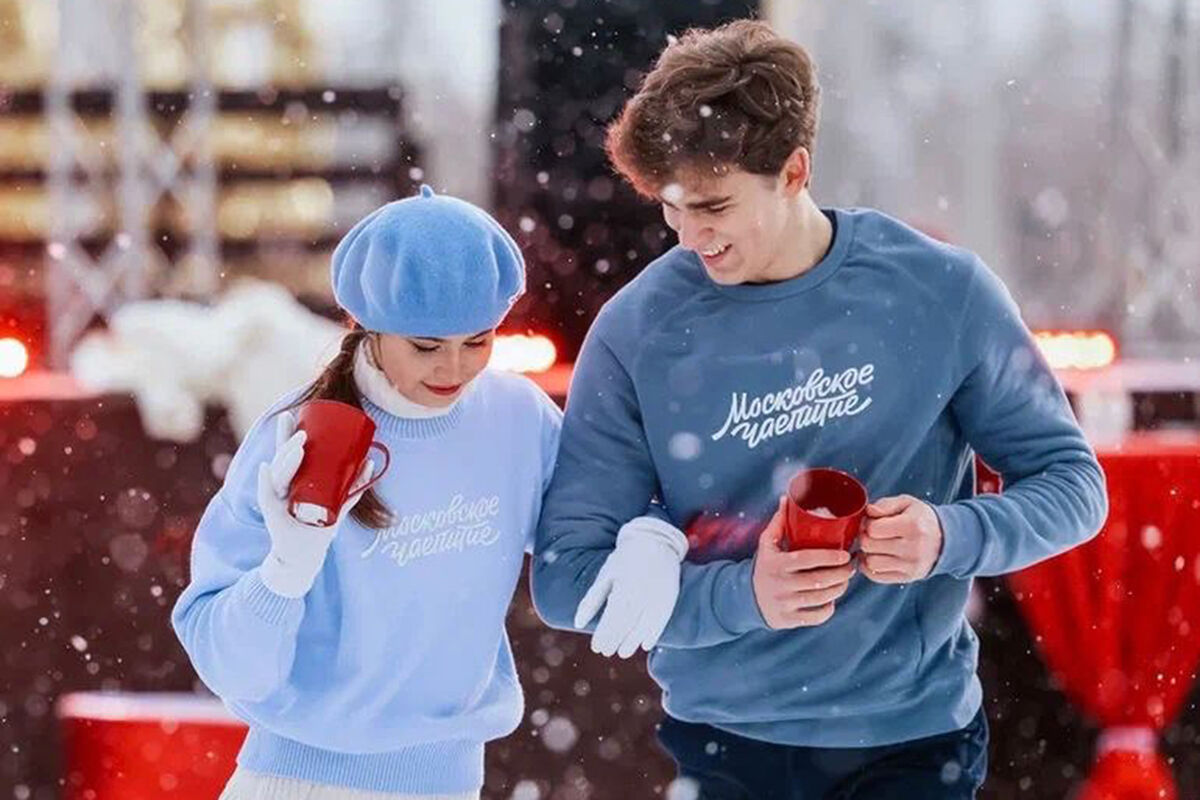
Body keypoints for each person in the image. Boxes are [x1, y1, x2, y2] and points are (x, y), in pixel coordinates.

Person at [531, 20, 1108, 799]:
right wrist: (740, 597)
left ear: (795, 170)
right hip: (723, 747)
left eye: (713, 205)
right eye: (670, 208)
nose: (689, 235)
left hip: (913, 744)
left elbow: (1075, 487)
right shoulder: (637, 331)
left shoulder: (940, 292)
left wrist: (949, 535)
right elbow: (566, 580)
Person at [172, 186, 563, 799]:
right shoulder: (298, 436)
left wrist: (650, 537)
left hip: (451, 786)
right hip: (298, 785)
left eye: (478, 341)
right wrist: (283, 575)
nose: (454, 369)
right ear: (368, 328)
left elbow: (581, 549)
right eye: (426, 346)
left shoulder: (517, 417)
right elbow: (232, 667)